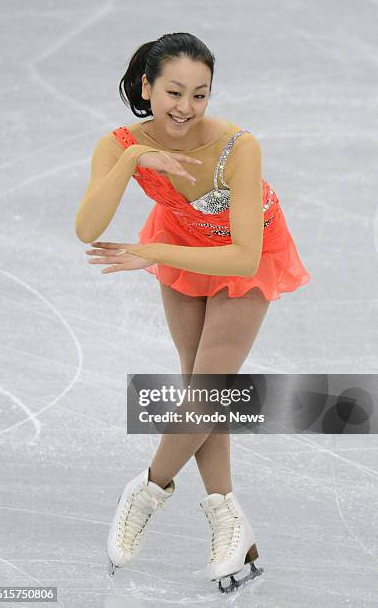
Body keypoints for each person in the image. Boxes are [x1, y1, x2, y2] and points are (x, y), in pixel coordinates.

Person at [75, 32, 310, 591]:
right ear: (146, 87)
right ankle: (228, 514)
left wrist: (149, 252)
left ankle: (148, 490)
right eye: (174, 92)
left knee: (207, 388)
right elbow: (87, 228)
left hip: (243, 255)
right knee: (202, 387)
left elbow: (243, 253)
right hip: (182, 244)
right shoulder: (119, 144)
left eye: (200, 95)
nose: (185, 107)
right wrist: (134, 156)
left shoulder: (238, 146)